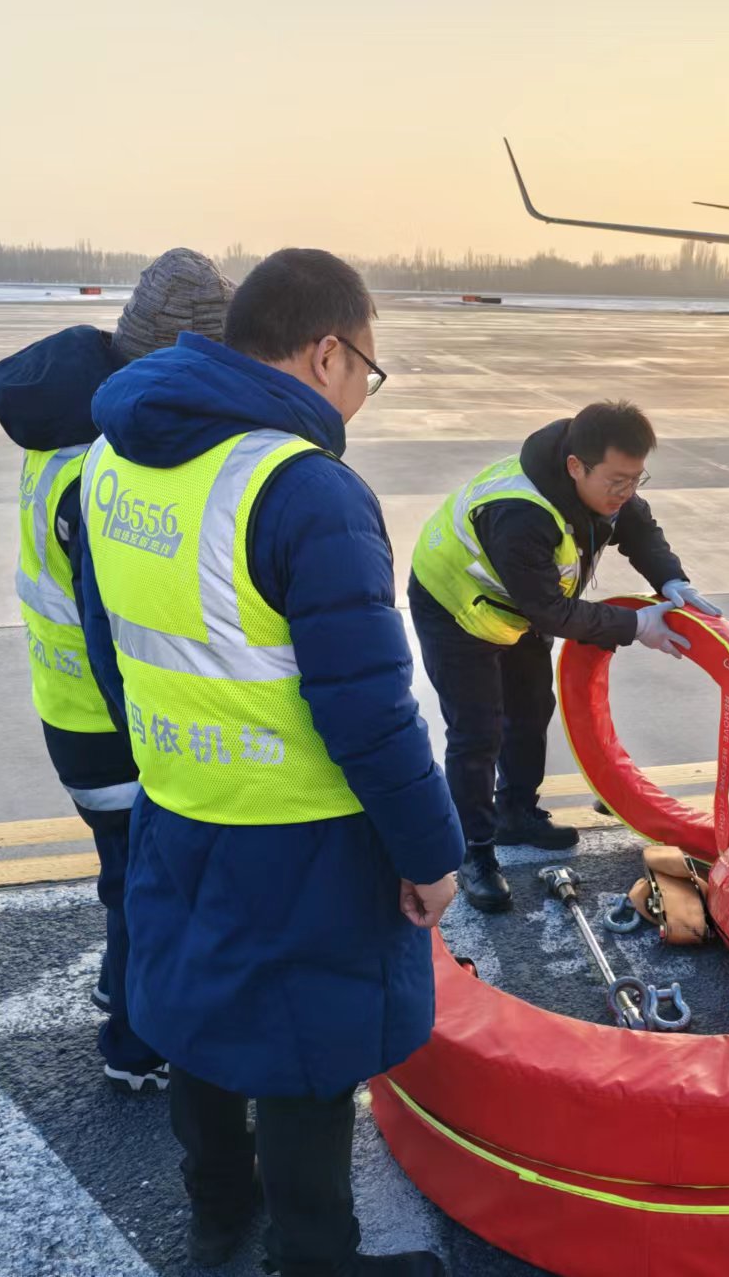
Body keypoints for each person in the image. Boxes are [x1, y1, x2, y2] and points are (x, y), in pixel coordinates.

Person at [79, 248, 458, 1277]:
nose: (361, 397)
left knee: (197, 1021)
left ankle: (216, 1217)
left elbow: (108, 644)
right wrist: (430, 851)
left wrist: (171, 749)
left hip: (178, 802)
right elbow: (371, 711)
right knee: (302, 1064)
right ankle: (314, 1258)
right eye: (367, 372)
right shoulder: (303, 489)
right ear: (328, 351)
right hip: (302, 834)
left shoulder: (110, 461)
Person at [0, 247, 234, 1093]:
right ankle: (134, 1045)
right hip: (106, 720)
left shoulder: (64, 420)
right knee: (147, 885)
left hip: (65, 709)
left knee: (123, 872)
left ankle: (114, 980)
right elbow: (111, 628)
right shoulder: (101, 464)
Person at [407, 401, 719, 912]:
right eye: (617, 480)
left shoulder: (603, 488)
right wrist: (638, 625)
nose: (627, 492)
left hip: (517, 606)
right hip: (455, 607)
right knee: (477, 731)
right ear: (577, 466)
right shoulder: (519, 513)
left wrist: (672, 579)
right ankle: (474, 851)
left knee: (530, 711)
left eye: (637, 478)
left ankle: (516, 813)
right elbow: (552, 611)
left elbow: (637, 527)